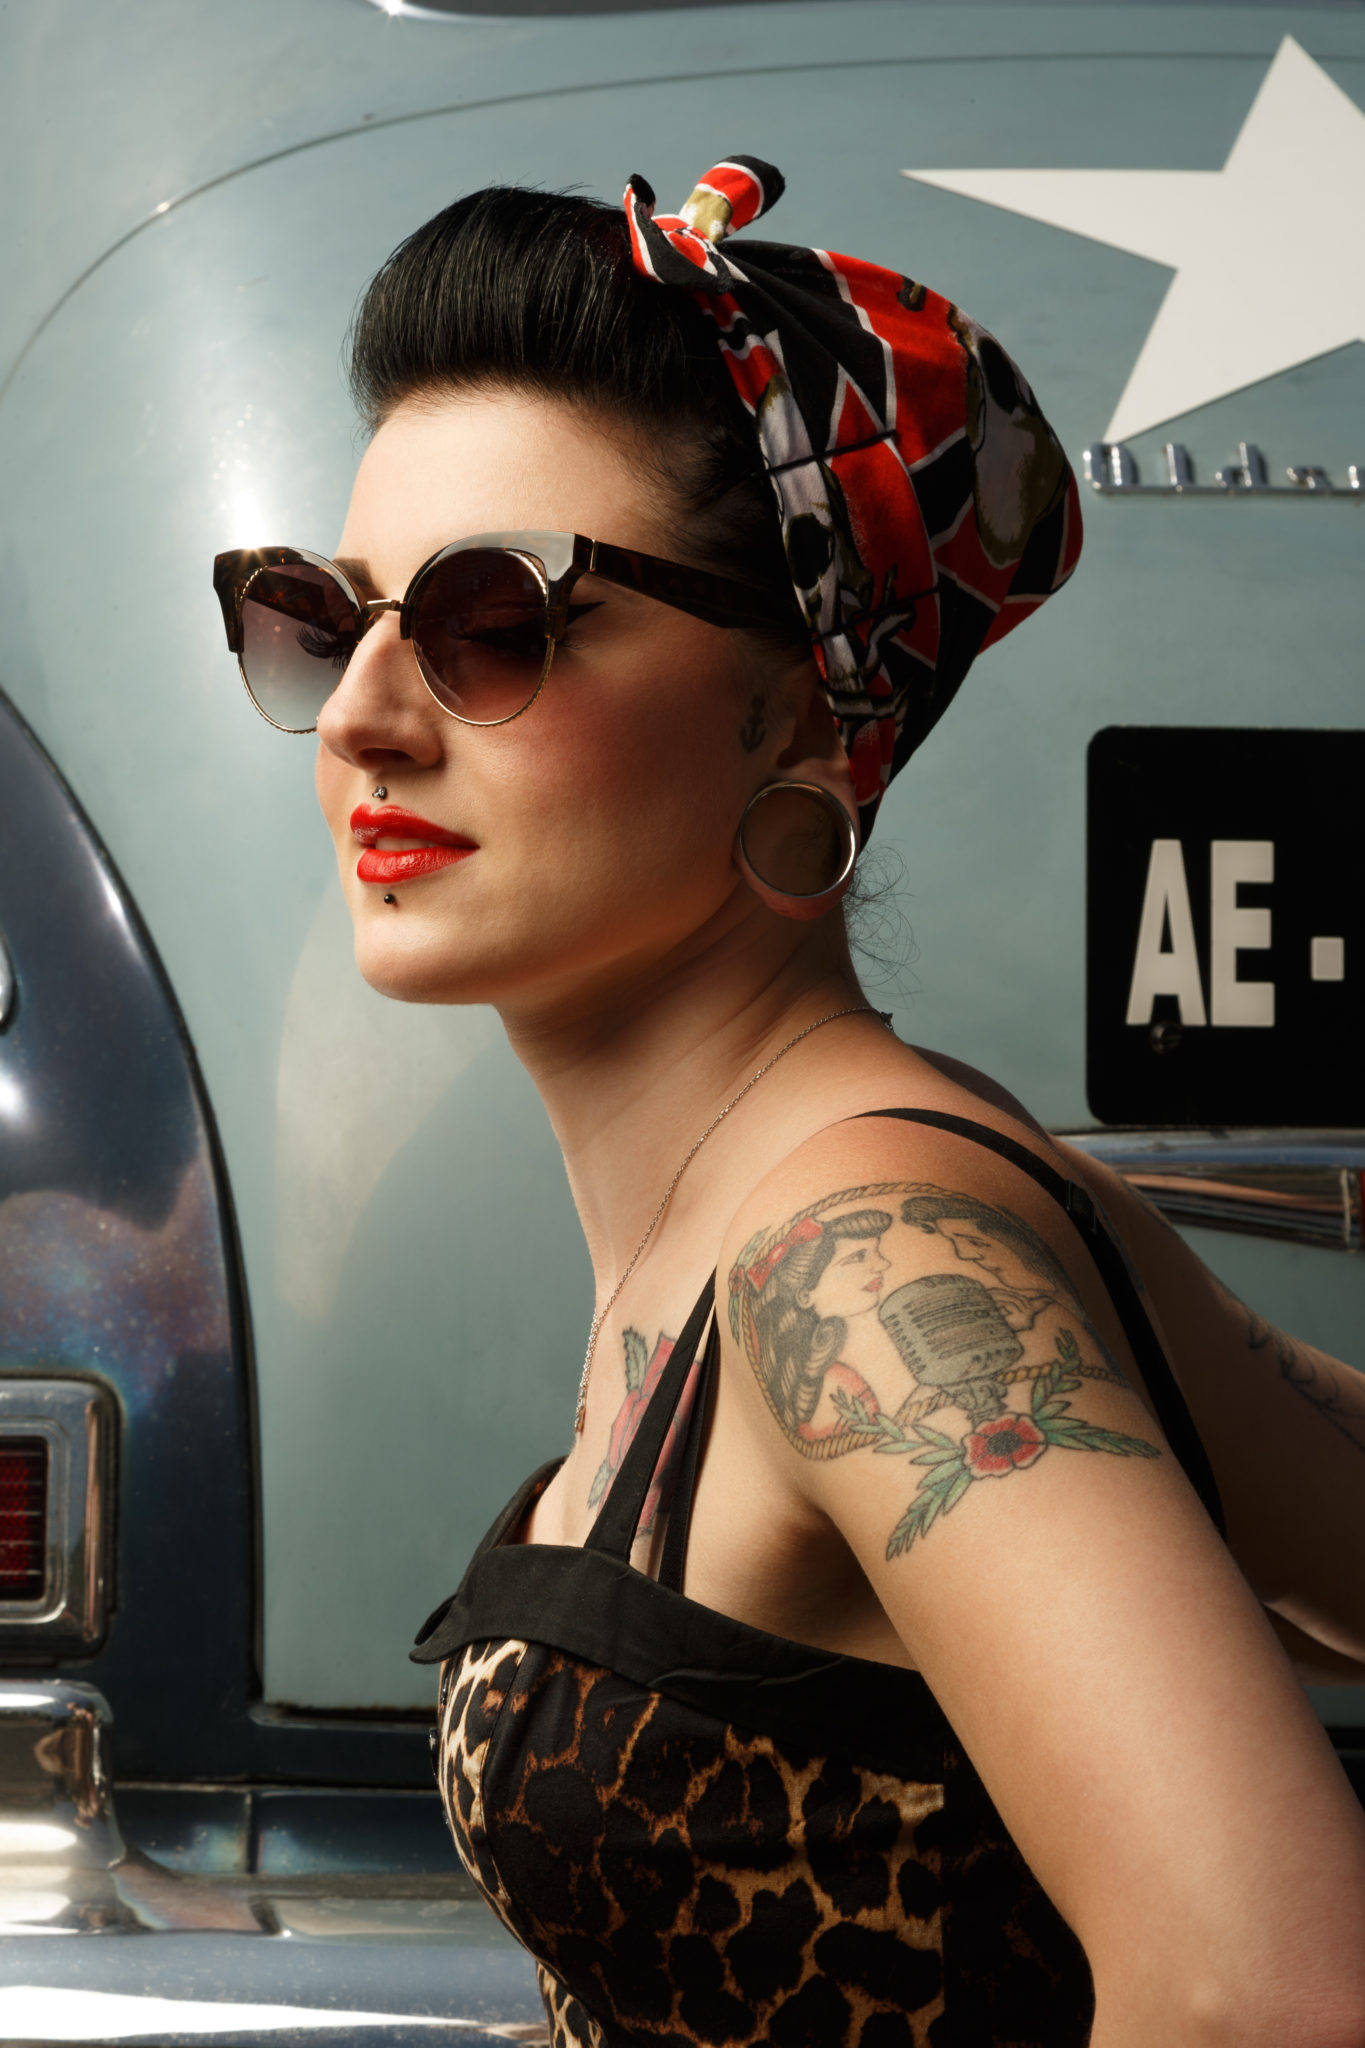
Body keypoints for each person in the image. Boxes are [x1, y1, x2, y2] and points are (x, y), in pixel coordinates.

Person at [212, 157, 1365, 2047]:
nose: (358, 715)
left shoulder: (866, 1248)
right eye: (321, 620)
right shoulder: (893, 1177)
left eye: (496, 619)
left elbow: (1275, 1995)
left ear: (812, 712)